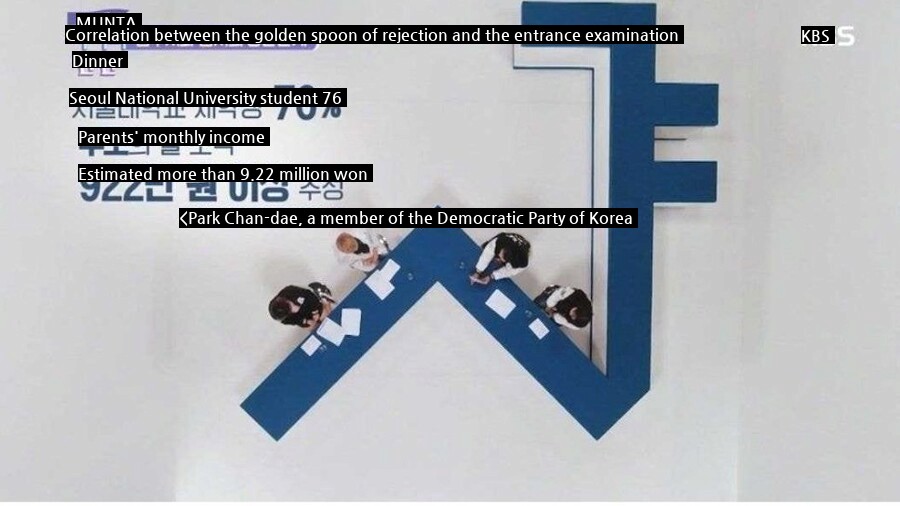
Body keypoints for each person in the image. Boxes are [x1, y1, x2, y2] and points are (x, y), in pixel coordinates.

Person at [268, 282, 336, 329]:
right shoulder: (279, 315)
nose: (292, 309)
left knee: (329, 319)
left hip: (311, 305)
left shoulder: (290, 290)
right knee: (316, 330)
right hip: (301, 316)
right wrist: (306, 321)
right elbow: (289, 321)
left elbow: (311, 297)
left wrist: (315, 312)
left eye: (290, 306)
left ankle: (326, 301)